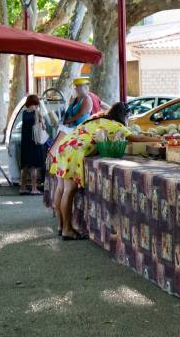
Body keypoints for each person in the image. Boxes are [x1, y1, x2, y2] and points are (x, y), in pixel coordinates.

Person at [49, 102, 161, 240]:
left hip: (64, 146)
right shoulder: (116, 125)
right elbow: (137, 138)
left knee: (61, 188)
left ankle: (61, 226)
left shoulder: (98, 119)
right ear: (123, 116)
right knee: (69, 190)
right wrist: (160, 139)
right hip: (74, 150)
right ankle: (67, 230)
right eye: (128, 118)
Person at [20, 94, 46, 195]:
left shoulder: (24, 113)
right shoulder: (37, 112)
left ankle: (22, 188)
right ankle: (34, 189)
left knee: (24, 166)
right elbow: (43, 127)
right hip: (34, 142)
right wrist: (42, 121)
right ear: (36, 102)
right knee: (34, 167)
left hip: (25, 143)